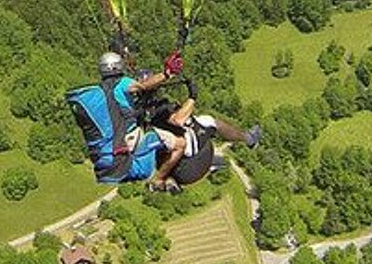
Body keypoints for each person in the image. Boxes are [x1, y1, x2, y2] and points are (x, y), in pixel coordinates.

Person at [96, 50, 261, 192]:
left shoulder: (132, 105)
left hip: (176, 168)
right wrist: (192, 97)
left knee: (168, 140)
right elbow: (178, 120)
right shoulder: (154, 106)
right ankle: (249, 139)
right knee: (208, 121)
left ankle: (170, 179)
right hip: (193, 166)